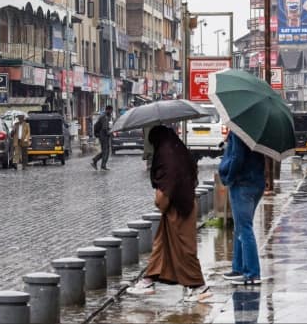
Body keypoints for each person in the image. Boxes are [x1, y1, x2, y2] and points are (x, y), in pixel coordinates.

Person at [128, 125, 210, 302]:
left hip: (179, 207)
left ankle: (199, 286)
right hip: (181, 202)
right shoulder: (177, 150)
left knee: (185, 247)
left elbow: (169, 181)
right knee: (162, 244)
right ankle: (148, 280)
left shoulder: (167, 156)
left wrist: (161, 201)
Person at [219, 131, 265, 286]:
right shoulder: (255, 132)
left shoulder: (239, 131)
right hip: (256, 182)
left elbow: (237, 157)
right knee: (241, 227)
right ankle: (238, 268)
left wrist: (228, 177)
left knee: (245, 228)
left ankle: (252, 273)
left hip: (242, 183)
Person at [91, 105, 113, 171]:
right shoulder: (104, 117)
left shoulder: (107, 116)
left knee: (105, 151)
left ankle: (96, 161)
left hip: (103, 135)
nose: (111, 112)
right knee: (106, 151)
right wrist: (109, 133)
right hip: (103, 136)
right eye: (111, 110)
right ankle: (101, 164)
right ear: (108, 110)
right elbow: (105, 128)